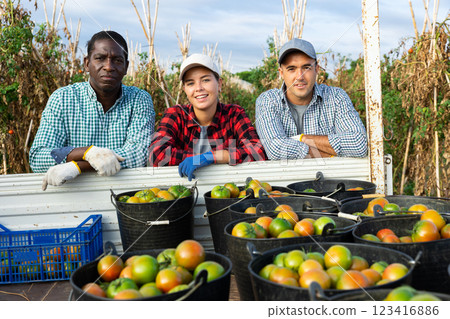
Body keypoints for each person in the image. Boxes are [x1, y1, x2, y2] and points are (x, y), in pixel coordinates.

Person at [29, 31, 155, 190]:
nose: (109, 67)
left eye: (117, 60)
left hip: (126, 194)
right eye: (100, 58)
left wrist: (78, 166)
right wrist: (86, 152)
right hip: (73, 195)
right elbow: (38, 157)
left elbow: (138, 155)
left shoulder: (139, 99)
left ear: (126, 67)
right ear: (86, 63)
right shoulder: (62, 98)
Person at [149, 53, 266, 181]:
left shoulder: (234, 114)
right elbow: (156, 154)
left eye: (205, 80)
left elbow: (257, 151)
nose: (198, 88)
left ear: (219, 84)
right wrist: (220, 157)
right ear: (184, 89)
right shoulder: (175, 115)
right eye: (190, 83)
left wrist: (210, 157)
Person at [255, 38, 367, 160]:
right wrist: (329, 152)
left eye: (306, 67)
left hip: (331, 178)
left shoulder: (336, 97)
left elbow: (359, 144)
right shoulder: (268, 101)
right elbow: (276, 150)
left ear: (317, 69)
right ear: (281, 73)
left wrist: (301, 138)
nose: (300, 76)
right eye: (291, 69)